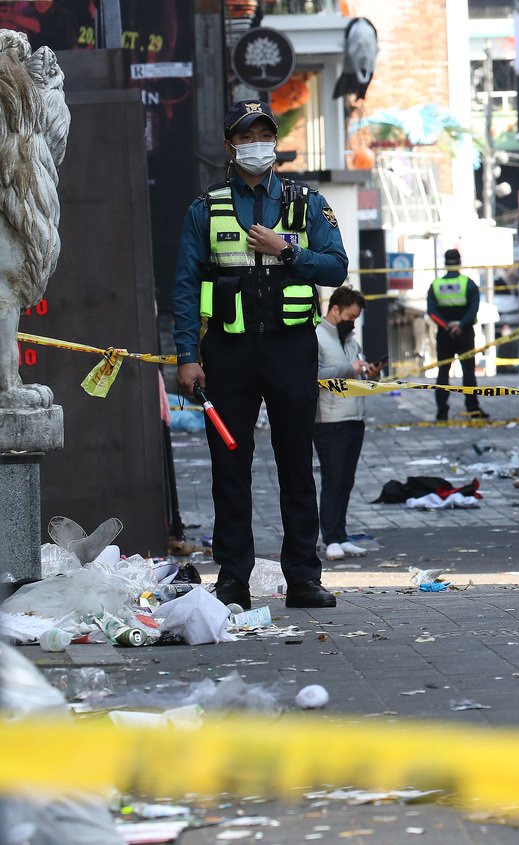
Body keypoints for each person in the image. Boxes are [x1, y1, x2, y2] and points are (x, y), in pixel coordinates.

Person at [173, 99, 348, 610]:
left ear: (275, 141)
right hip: (228, 352)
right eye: (246, 136)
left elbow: (336, 268)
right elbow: (185, 286)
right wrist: (187, 355)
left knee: (296, 465)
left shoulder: (307, 203)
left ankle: (304, 578)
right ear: (230, 145)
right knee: (229, 469)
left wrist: (286, 251)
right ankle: (233, 579)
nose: (257, 144)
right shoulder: (204, 209)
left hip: (291, 350)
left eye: (264, 135)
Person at [315, 286, 380, 561]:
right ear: (335, 310)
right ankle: (330, 538)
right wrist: (349, 369)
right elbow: (315, 373)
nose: (352, 322)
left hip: (355, 417)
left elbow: (359, 373)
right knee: (333, 479)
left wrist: (371, 374)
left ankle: (341, 535)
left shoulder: (351, 340)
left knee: (346, 481)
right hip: (329, 420)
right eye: (350, 316)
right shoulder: (317, 336)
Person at [427, 248, 487, 421]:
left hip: (444, 334)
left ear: (445, 263)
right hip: (465, 333)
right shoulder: (468, 284)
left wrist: (447, 326)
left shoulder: (436, 285)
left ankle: (442, 412)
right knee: (468, 372)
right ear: (460, 263)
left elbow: (432, 312)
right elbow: (474, 309)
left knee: (443, 373)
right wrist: (460, 325)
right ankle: (472, 409)